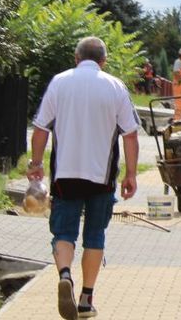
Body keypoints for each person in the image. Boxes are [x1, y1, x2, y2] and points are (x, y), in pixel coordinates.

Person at [26, 36, 139, 320]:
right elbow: (130, 134)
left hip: (65, 175)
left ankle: (65, 274)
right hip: (102, 177)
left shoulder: (59, 82)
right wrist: (131, 174)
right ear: (103, 61)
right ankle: (87, 300)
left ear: (76, 59)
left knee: (63, 233)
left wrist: (36, 164)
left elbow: (40, 128)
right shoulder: (115, 86)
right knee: (95, 235)